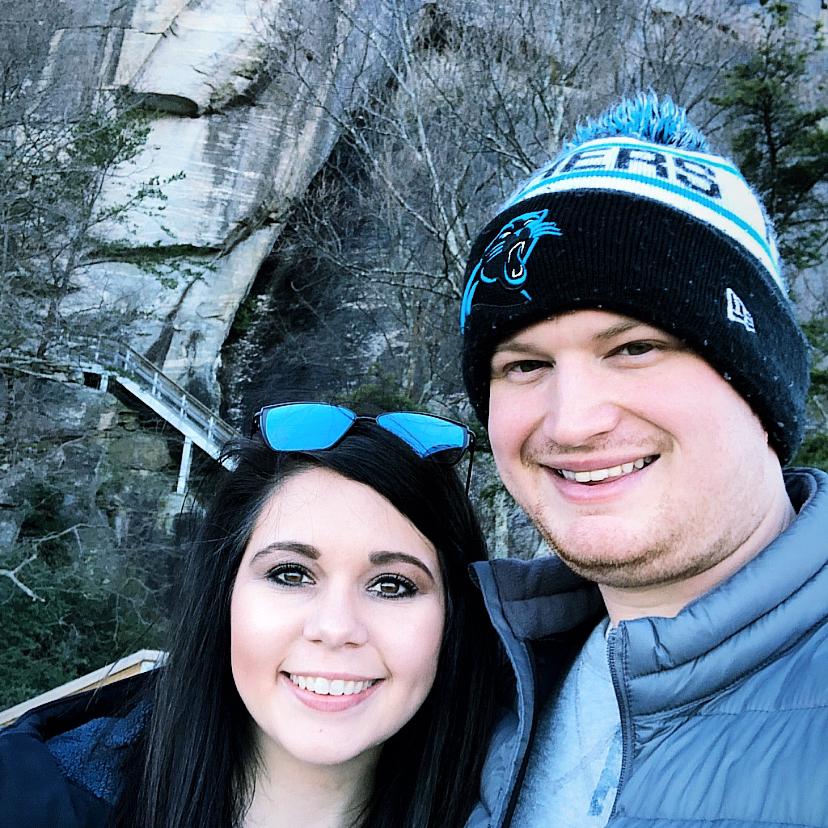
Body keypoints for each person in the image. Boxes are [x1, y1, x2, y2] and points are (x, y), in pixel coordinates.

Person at [459, 93, 827, 827]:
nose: (573, 423)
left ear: (760, 388)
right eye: (524, 365)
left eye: (635, 349)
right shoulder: (480, 683)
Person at [0, 403, 500, 828]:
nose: (334, 628)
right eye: (290, 574)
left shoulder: (524, 803)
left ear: (454, 619)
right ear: (225, 595)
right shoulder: (31, 798)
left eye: (392, 586)